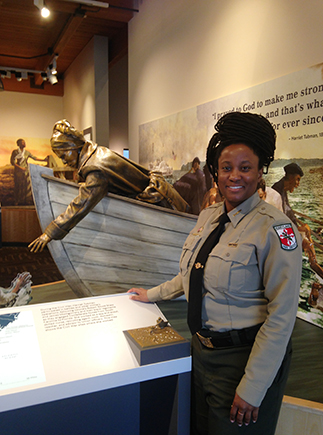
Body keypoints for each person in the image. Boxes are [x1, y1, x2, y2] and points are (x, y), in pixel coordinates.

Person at [128, 111, 302, 435]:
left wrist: (253, 386)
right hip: (201, 354)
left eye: (245, 168)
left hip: (243, 361)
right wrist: (151, 295)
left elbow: (282, 317)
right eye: (226, 168)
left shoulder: (276, 230)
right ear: (216, 172)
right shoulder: (208, 217)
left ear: (261, 171)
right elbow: (194, 275)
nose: (234, 176)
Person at [28, 120, 188, 253]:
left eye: (64, 155)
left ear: (74, 146)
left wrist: (50, 232)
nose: (64, 161)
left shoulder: (95, 168)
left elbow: (81, 204)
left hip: (165, 206)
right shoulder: (97, 152)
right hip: (162, 197)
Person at [10, 138, 48, 205]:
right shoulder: (15, 152)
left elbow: (34, 158)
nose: (24, 144)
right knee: (18, 186)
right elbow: (12, 162)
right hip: (18, 172)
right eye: (23, 142)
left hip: (25, 171)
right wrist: (20, 168)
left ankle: (24, 201)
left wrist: (43, 160)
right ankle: (16, 201)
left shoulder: (26, 152)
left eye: (24, 142)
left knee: (25, 186)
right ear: (19, 144)